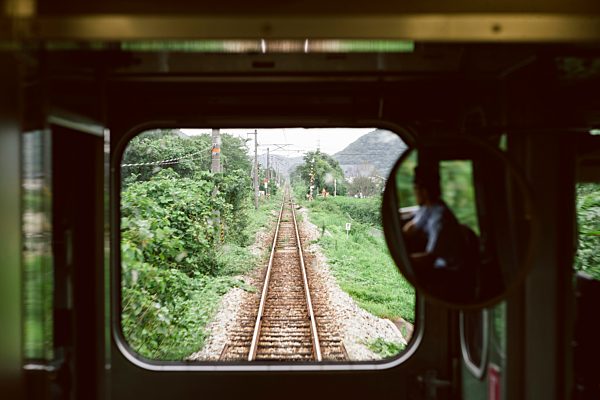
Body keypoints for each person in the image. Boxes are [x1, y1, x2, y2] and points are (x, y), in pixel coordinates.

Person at [402, 165, 474, 296]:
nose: (414, 192)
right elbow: (411, 228)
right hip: (439, 265)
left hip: (451, 274)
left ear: (424, 191)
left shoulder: (440, 218)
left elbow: (429, 258)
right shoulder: (427, 208)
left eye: (416, 188)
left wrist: (403, 259)